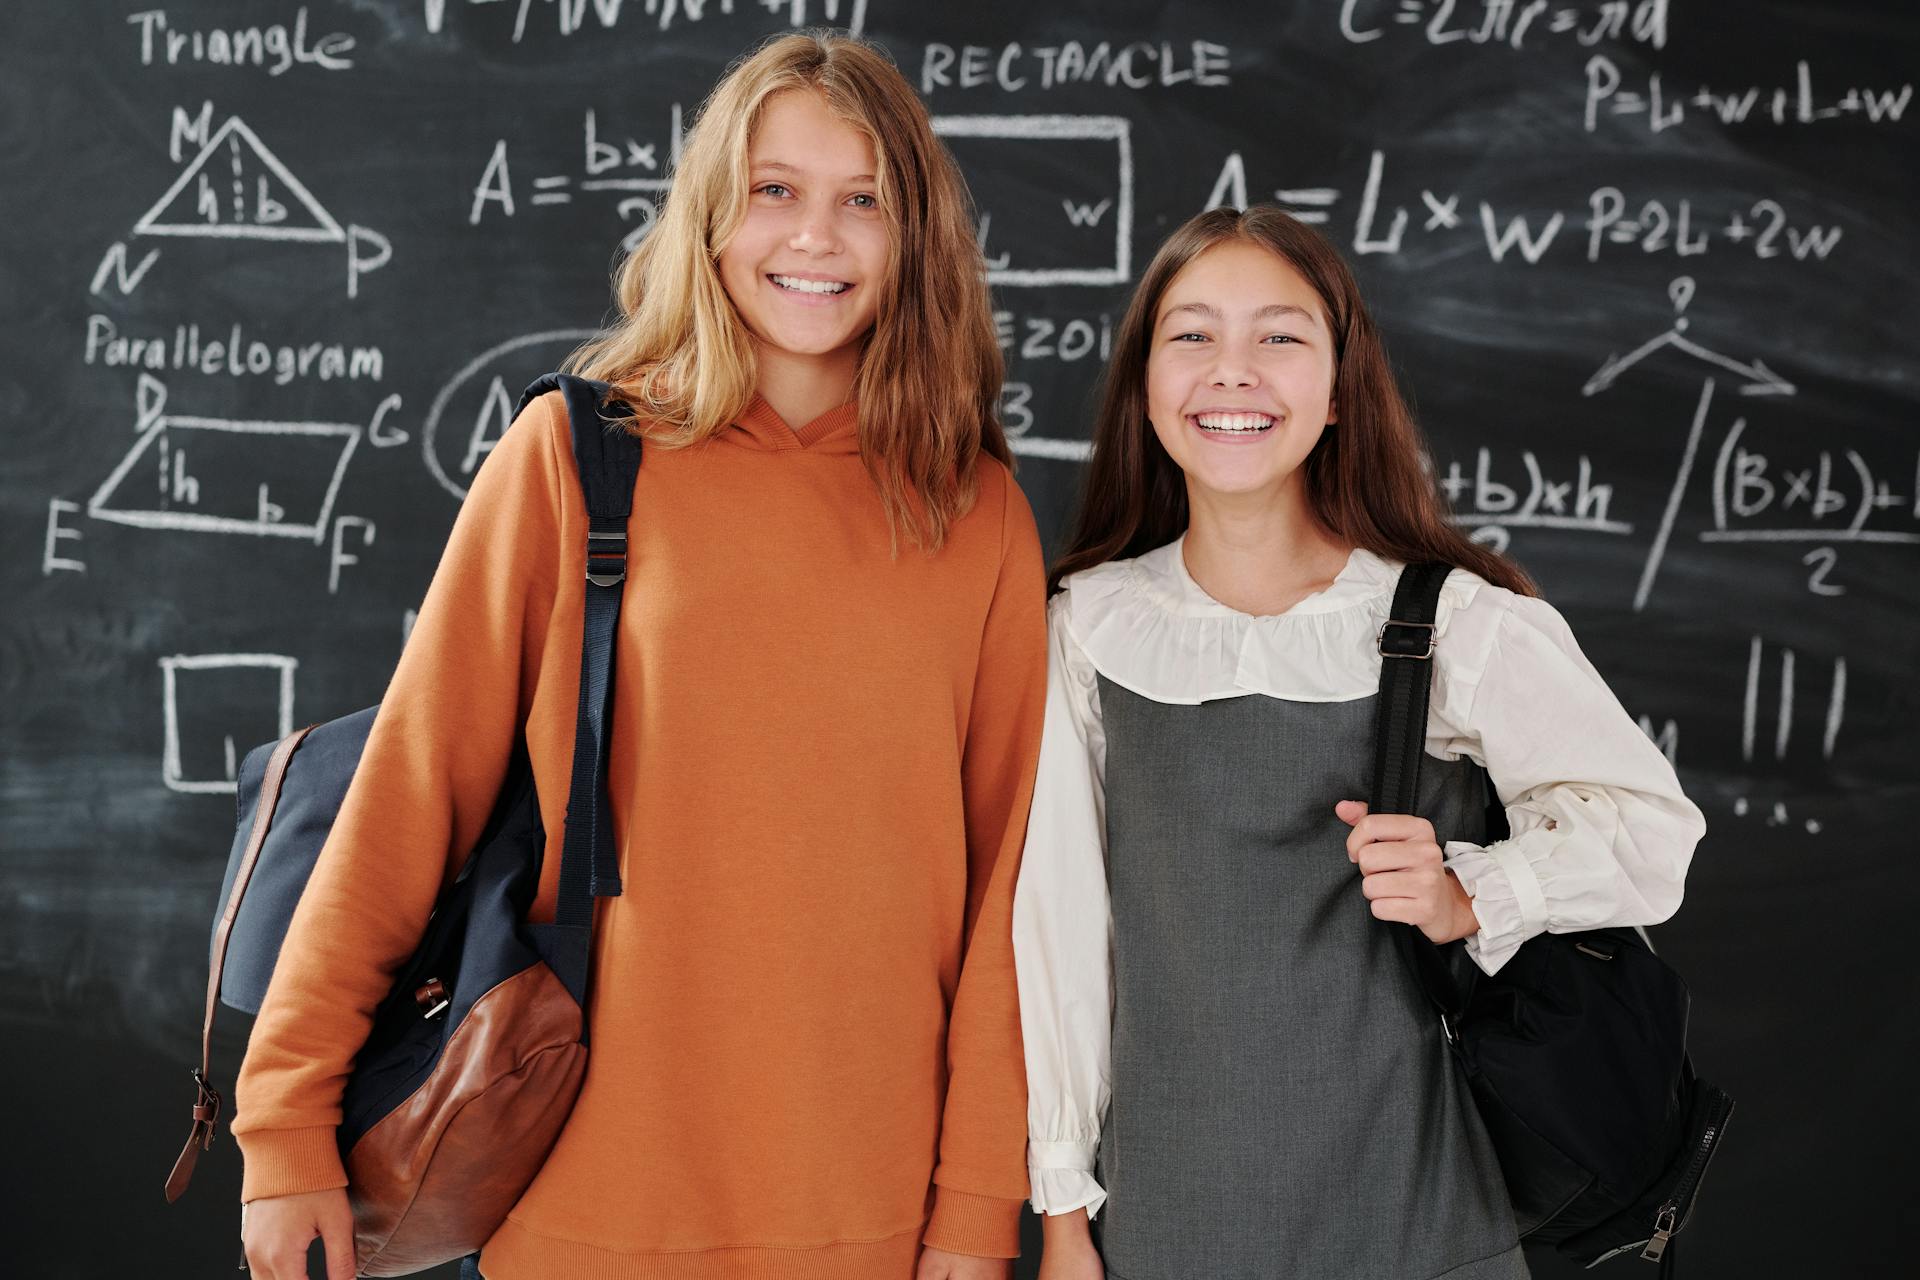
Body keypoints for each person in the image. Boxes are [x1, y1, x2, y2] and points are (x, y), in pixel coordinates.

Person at [234, 32, 1045, 1280]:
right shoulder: (576, 459)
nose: (815, 239)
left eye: (863, 199)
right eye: (775, 190)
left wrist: (978, 1207)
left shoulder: (974, 510)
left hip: (878, 1212)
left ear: (916, 237)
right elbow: (410, 796)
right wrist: (284, 1124)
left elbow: (1009, 896)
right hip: (583, 1205)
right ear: (713, 217)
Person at [1012, 205, 1706, 1280]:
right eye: (1190, 335)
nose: (1231, 372)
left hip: (1418, 1207)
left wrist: (1472, 892)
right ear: (1145, 384)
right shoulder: (1087, 630)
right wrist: (1063, 1211)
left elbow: (1653, 828)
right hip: (1168, 1212)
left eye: (1279, 336)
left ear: (1338, 391)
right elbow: (1060, 932)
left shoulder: (1447, 624)